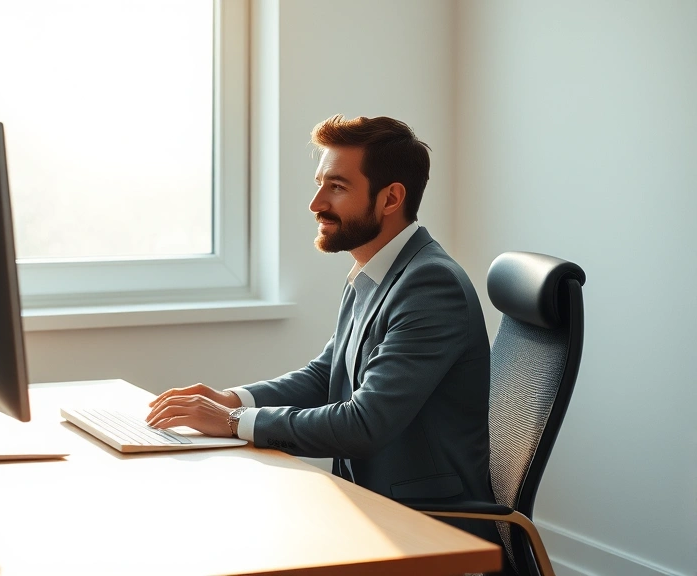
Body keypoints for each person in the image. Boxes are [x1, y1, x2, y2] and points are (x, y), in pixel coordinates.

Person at [146, 114, 502, 549]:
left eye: (337, 186)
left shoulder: (430, 285)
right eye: (320, 183)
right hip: (371, 505)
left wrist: (234, 422)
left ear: (390, 198)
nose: (316, 203)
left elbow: (364, 423)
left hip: (427, 526)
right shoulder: (377, 269)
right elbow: (326, 374)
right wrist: (234, 399)